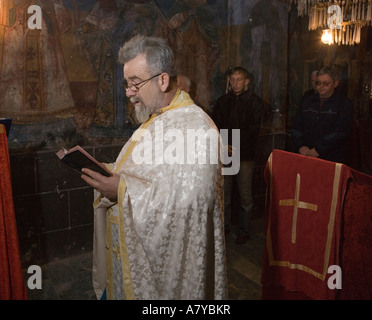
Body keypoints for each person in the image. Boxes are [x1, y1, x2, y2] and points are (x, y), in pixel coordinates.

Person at [81, 35, 227, 300]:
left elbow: (195, 203)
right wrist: (110, 172)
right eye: (126, 84)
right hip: (132, 259)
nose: (128, 92)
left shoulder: (198, 127)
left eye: (135, 84)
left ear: (163, 80)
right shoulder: (155, 120)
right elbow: (147, 173)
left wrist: (122, 190)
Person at [211, 66, 264, 244]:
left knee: (245, 196)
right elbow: (214, 125)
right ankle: (223, 228)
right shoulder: (222, 101)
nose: (235, 83)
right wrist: (224, 145)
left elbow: (253, 129)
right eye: (232, 80)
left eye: (239, 79)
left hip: (245, 154)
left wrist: (235, 145)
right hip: (225, 153)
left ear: (246, 81)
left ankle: (244, 230)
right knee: (224, 194)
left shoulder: (255, 102)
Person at [291, 66, 353, 163]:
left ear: (335, 84)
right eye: (318, 83)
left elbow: (339, 132)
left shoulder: (344, 104)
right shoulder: (307, 101)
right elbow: (296, 127)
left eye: (326, 83)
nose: (321, 86)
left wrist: (317, 151)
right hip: (304, 155)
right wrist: (301, 146)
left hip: (330, 159)